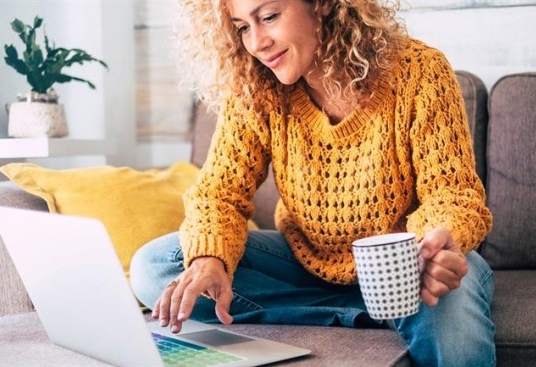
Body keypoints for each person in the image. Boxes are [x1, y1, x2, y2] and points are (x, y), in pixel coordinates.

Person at [130, 1, 496, 366]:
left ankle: (393, 305)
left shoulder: (420, 72)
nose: (256, 43)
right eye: (242, 27)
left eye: (269, 17)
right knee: (156, 265)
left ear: (320, 5)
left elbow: (453, 195)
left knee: (449, 296)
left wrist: (432, 249)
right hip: (305, 263)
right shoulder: (256, 87)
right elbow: (218, 192)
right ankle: (374, 313)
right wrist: (210, 259)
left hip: (406, 267)